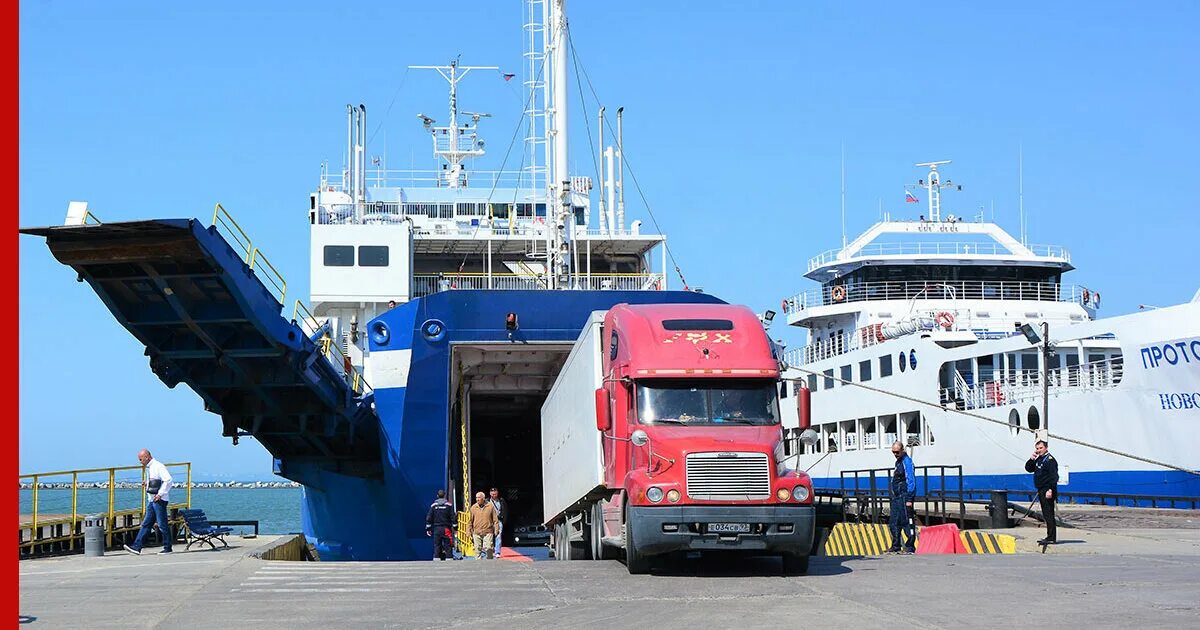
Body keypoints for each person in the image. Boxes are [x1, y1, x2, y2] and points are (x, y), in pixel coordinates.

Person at [123, 449, 173, 555]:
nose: (140, 461)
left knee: (162, 524)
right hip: (152, 500)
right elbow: (156, 481)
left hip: (159, 500)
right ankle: (137, 547)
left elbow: (168, 480)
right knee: (146, 524)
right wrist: (147, 483)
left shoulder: (158, 466)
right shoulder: (150, 468)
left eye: (141, 459)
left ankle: (167, 547)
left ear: (147, 457)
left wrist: (160, 494)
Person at [1025, 440, 1059, 544]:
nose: (1039, 450)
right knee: (1046, 513)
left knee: (1049, 514)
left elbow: (1054, 477)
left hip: (1047, 490)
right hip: (1041, 489)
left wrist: (1050, 490)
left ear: (1046, 448)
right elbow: (1028, 469)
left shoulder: (1050, 460)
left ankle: (1051, 537)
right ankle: (1049, 536)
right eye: (1037, 448)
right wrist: (1031, 459)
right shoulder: (1039, 459)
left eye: (1041, 448)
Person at [886, 441, 917, 553]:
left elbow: (911, 480)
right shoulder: (898, 462)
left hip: (904, 496)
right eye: (893, 452)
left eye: (897, 452)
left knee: (907, 521)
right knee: (894, 522)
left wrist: (909, 498)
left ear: (902, 450)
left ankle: (909, 546)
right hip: (896, 496)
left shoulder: (907, 462)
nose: (895, 454)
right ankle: (895, 545)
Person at [425, 489, 456, 561]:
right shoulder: (449, 506)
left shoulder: (433, 506)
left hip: (437, 529)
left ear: (437, 496)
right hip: (446, 529)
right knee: (448, 545)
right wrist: (455, 528)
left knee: (437, 545)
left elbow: (429, 517)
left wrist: (428, 529)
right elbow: (453, 517)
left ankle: (436, 560)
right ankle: (449, 560)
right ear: (444, 496)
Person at [467, 491, 498, 559]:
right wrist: (468, 531)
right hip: (477, 532)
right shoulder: (473, 508)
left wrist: (496, 530)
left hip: (488, 531)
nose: (477, 499)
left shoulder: (490, 506)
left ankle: (489, 560)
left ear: (483, 498)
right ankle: (478, 564)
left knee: (489, 547)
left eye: (479, 498)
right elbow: (470, 521)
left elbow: (495, 520)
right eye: (476, 498)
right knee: (477, 549)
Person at [488, 487, 507, 559]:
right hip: (489, 521)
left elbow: (505, 510)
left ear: (497, 493)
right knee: (489, 536)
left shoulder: (501, 501)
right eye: (492, 494)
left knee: (498, 535)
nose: (494, 495)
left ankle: (497, 552)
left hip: (498, 520)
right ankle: (490, 550)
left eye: (495, 494)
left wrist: (503, 520)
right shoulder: (487, 501)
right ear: (490, 494)